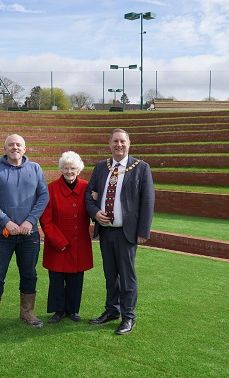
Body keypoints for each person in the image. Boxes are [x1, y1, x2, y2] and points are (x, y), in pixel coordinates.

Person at [85, 128, 155, 335]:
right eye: (115, 141)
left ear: (129, 143)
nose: (119, 145)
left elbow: (148, 201)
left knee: (127, 277)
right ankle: (112, 311)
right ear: (109, 144)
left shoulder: (141, 168)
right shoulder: (101, 167)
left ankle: (128, 317)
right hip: (106, 231)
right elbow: (89, 196)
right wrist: (96, 213)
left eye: (122, 141)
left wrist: (143, 231)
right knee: (110, 275)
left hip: (128, 232)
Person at [0, 134, 50, 336]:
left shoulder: (35, 168)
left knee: (29, 273)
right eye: (11, 145)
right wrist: (6, 222)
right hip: (0, 234)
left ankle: (27, 312)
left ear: (25, 148)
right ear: (5, 149)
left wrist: (30, 221)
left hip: (29, 234)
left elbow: (43, 195)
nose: (15, 147)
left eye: (18, 144)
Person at [40, 151, 93, 324]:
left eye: (73, 168)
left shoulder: (87, 187)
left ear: (79, 170)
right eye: (66, 168)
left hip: (79, 245)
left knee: (76, 280)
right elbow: (45, 219)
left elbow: (94, 209)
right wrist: (58, 241)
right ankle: (58, 311)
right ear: (61, 169)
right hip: (58, 244)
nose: (69, 171)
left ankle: (72, 310)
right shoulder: (51, 188)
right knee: (56, 279)